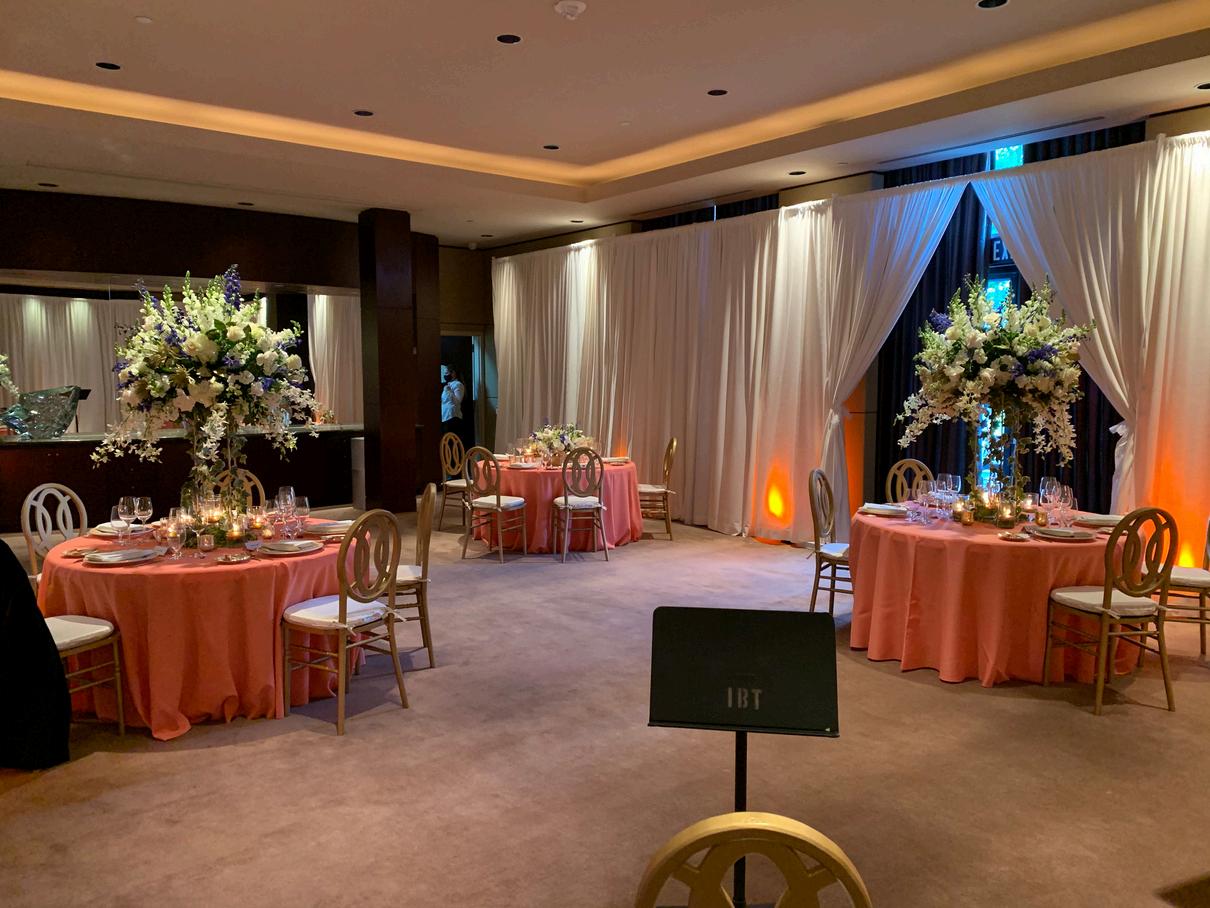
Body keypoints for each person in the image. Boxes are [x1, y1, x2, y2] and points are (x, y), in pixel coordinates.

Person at [441, 366, 466, 441]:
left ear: (453, 373)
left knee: (451, 441)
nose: (445, 375)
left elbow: (457, 401)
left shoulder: (458, 384)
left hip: (453, 417)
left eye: (447, 373)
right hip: (445, 417)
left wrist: (449, 391)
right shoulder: (448, 385)